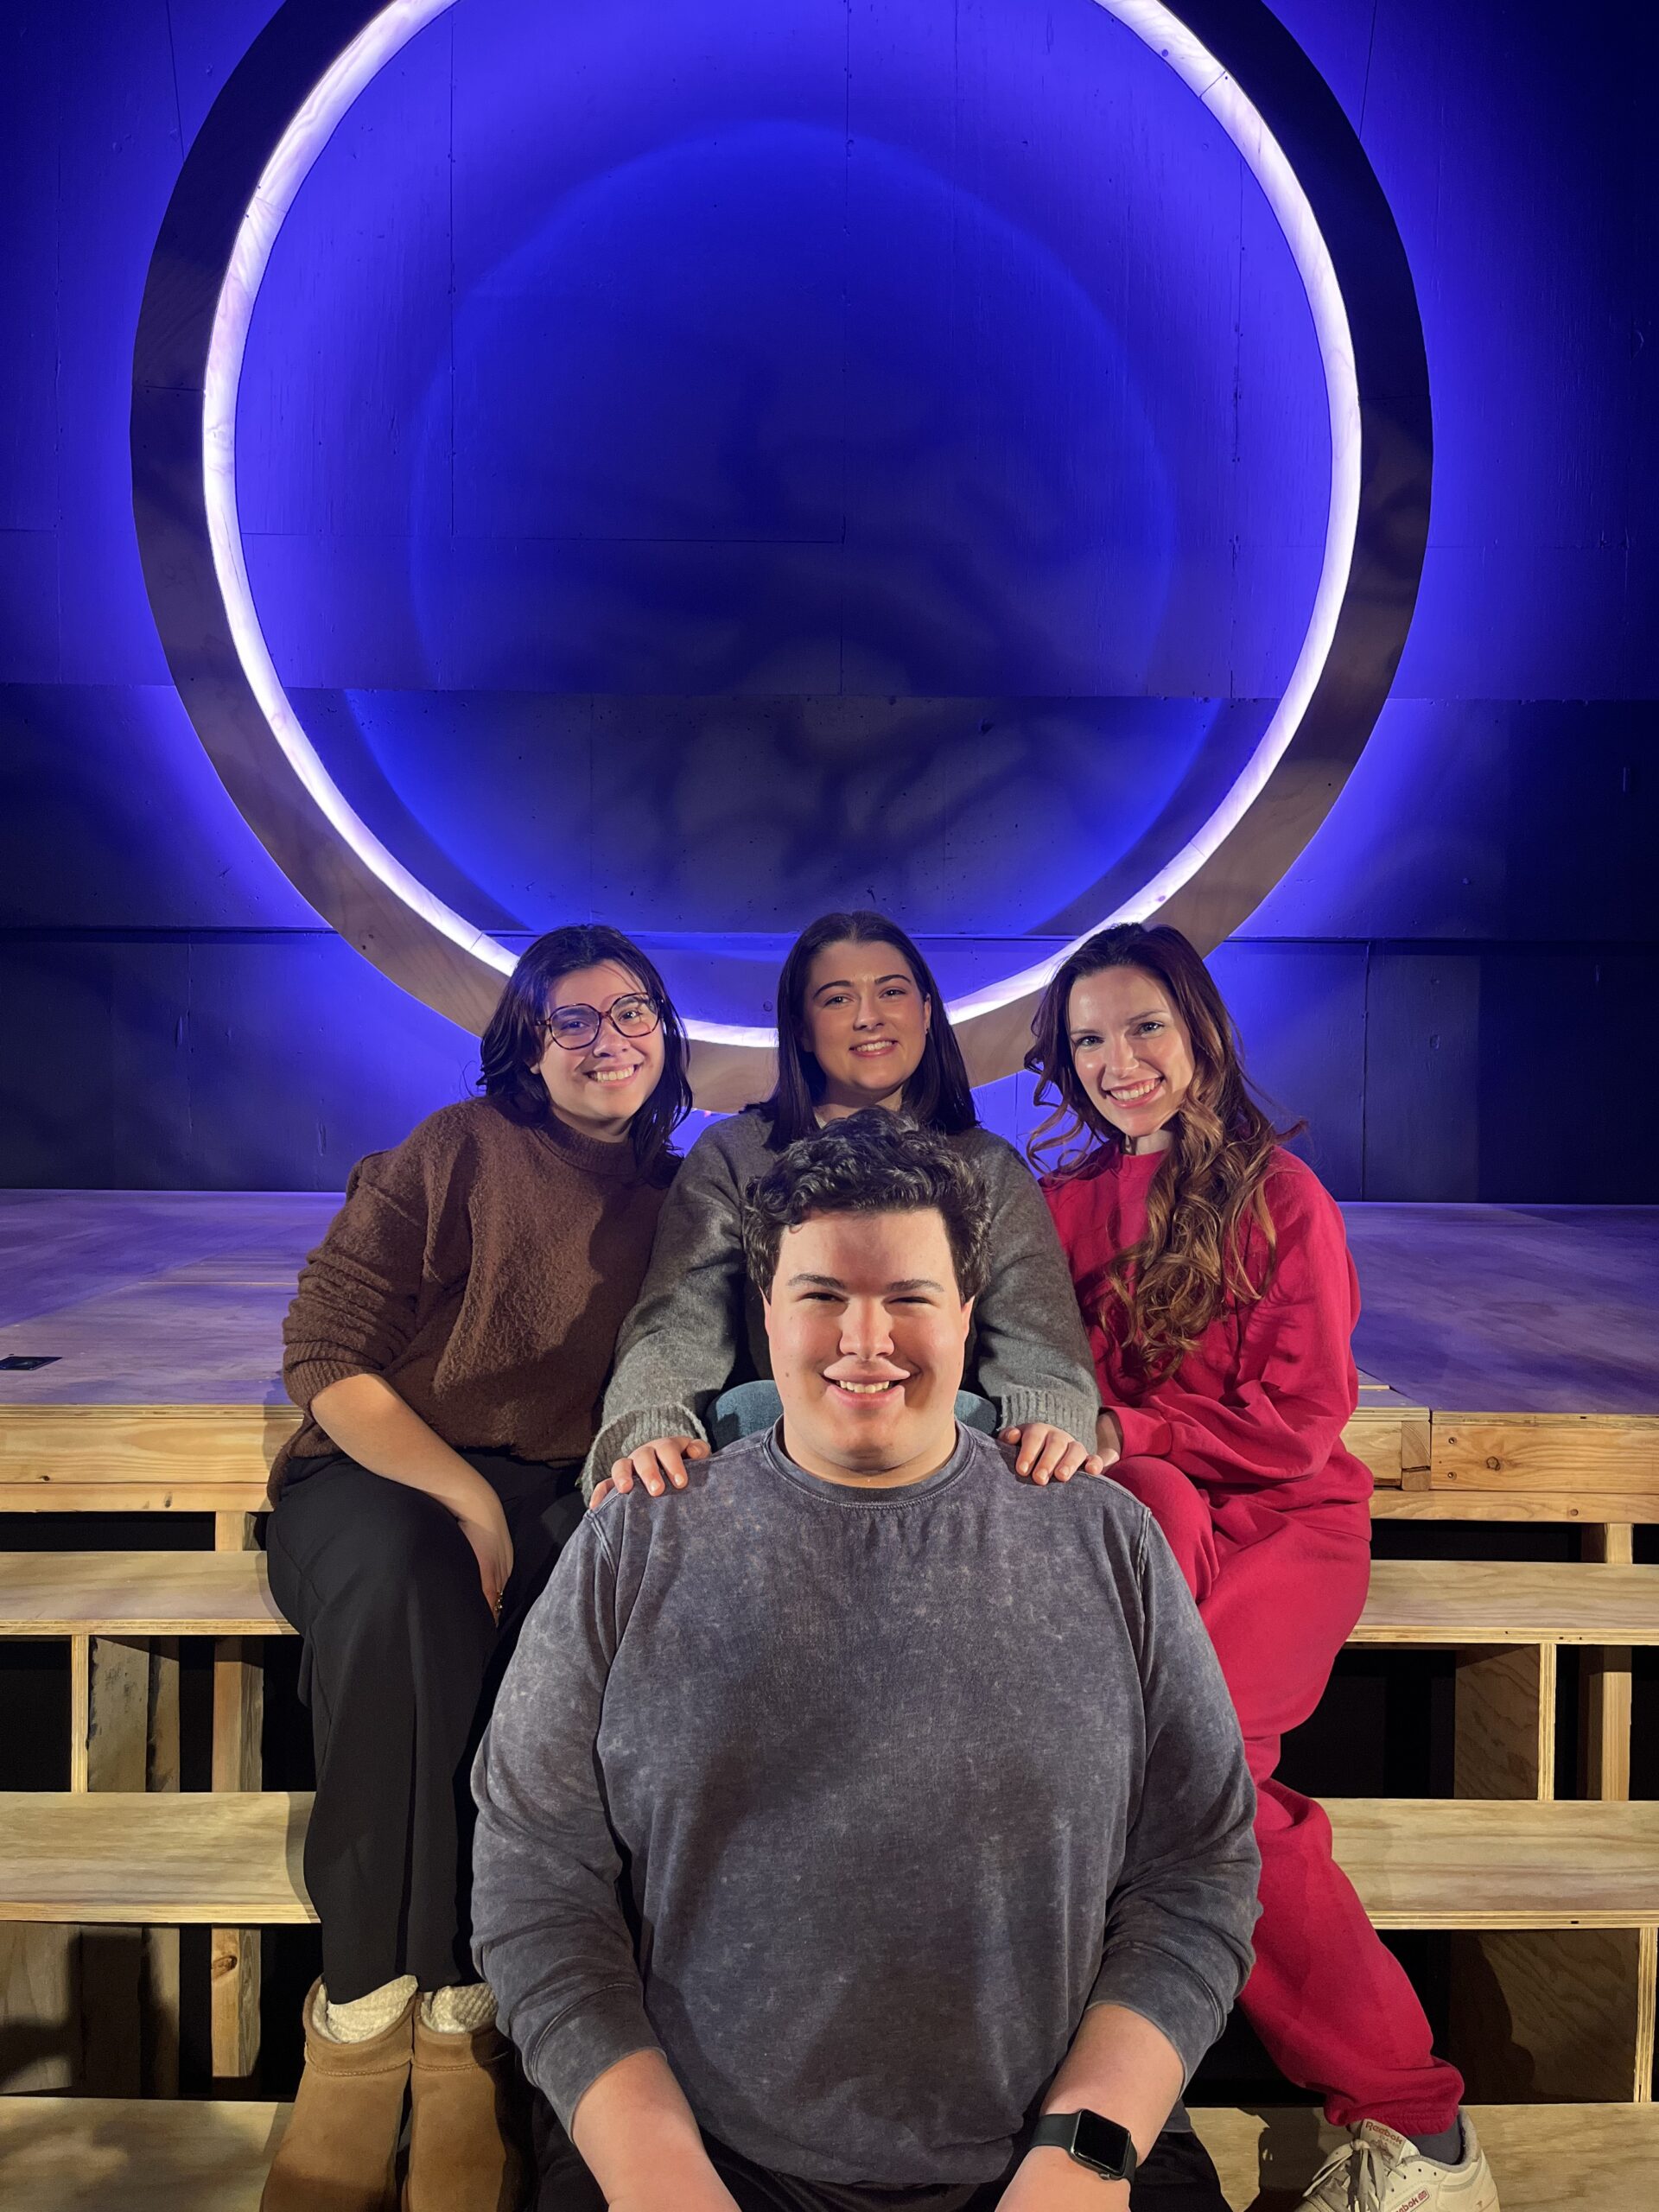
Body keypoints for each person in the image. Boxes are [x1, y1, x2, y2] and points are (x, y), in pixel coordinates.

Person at [473, 1113, 1261, 2212]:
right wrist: (658, 2174)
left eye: (908, 1299)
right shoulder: (637, 1541)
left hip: (1064, 2154)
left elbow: (1198, 1868)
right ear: (765, 1314)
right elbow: (537, 1883)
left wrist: (1081, 2159)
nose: (865, 1339)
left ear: (969, 1314)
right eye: (823, 1297)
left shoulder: (1103, 1540)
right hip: (704, 2159)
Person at [1027, 924, 1500, 2212]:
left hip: (1287, 1524)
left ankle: (1420, 2129)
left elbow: (1301, 1420)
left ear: (1199, 1033)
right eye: (1088, 1040)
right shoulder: (1059, 1206)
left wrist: (1139, 1431)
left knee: (1210, 1784)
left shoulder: (1282, 1198)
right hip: (1147, 1524)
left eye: (1142, 1030)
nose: (1117, 1061)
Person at [260, 925, 690, 2212]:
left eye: (632, 1014)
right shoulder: (459, 1148)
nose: (606, 1040)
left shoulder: (684, 1197)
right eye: (572, 1019)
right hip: (385, 1468)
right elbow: (324, 1347)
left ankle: (461, 2017)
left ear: (666, 1034)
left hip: (551, 1486)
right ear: (526, 1041)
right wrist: (460, 1495)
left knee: (576, 1630)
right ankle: (359, 2018)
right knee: (412, 1584)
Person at [588, 909, 1101, 1503]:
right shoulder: (733, 1154)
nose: (868, 1017)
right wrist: (651, 1425)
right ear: (801, 1028)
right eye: (836, 999)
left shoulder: (989, 1166)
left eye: (891, 991)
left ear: (928, 1011)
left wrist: (1049, 1420)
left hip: (945, 1465)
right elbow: (679, 1320)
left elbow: (1037, 1336)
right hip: (772, 1462)